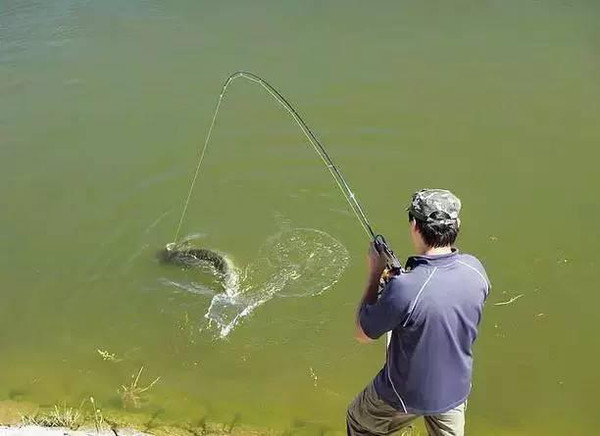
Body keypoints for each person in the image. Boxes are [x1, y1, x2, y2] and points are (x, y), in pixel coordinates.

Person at [347, 189, 490, 436]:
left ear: (415, 225)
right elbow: (437, 303)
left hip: (403, 394)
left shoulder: (405, 288)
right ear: (457, 224)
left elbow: (362, 333)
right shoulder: (475, 269)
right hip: (455, 391)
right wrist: (402, 283)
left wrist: (375, 273)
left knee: (359, 421)